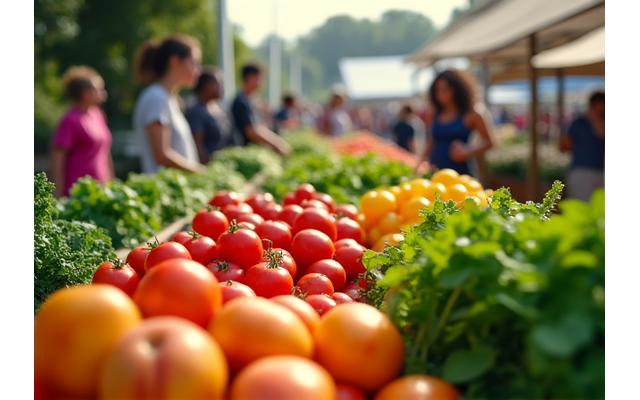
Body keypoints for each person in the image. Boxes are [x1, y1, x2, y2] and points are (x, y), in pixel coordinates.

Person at [132, 34, 206, 174]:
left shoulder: (168, 98)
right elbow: (162, 156)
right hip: (162, 192)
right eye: (194, 62)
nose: (198, 70)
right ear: (175, 61)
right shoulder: (156, 97)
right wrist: (202, 172)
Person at [50, 66, 114, 197]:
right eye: (99, 89)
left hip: (100, 190)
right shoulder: (70, 120)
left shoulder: (98, 115)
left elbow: (105, 152)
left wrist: (111, 183)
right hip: (77, 193)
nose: (103, 93)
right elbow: (58, 159)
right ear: (85, 93)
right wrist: (57, 195)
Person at [417, 69, 494, 176]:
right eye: (437, 90)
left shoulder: (472, 114)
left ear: (458, 89)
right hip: (435, 171)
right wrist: (420, 162)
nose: (440, 94)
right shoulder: (434, 113)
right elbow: (431, 140)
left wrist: (467, 151)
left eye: (445, 89)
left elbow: (490, 142)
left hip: (461, 173)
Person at [230, 63, 291, 155]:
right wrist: (276, 144)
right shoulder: (241, 102)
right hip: (246, 153)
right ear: (250, 78)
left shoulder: (251, 100)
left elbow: (259, 126)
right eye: (260, 78)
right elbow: (251, 130)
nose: (262, 82)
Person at [560, 91, 605, 201]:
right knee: (582, 206)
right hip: (581, 171)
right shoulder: (579, 122)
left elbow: (601, 133)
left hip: (600, 172)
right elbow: (564, 147)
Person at [185, 68, 231, 163]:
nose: (221, 87)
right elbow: (198, 146)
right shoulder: (196, 112)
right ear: (205, 86)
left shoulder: (217, 109)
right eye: (217, 83)